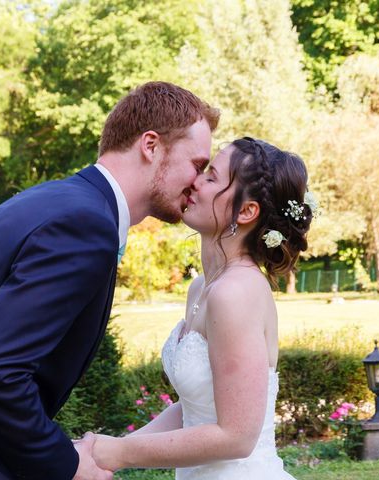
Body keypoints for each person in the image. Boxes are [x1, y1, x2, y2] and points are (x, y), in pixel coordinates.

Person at [0, 82, 219, 480]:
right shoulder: (85, 225)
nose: (199, 181)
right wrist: (66, 464)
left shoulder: (61, 201)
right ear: (150, 145)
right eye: (197, 164)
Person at [87, 138, 313, 479]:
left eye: (211, 176)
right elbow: (194, 410)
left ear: (246, 211)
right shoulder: (202, 288)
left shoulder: (236, 292)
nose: (195, 181)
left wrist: (117, 453)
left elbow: (237, 437)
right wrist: (102, 454)